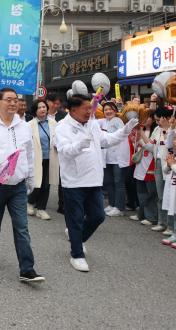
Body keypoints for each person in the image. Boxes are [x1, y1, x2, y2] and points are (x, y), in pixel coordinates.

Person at [56, 94, 137, 272]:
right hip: (74, 181)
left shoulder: (92, 123)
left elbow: (106, 140)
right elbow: (64, 151)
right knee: (75, 219)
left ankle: (78, 239)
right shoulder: (63, 127)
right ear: (73, 110)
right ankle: (76, 254)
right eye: (86, 108)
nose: (90, 111)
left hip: (93, 179)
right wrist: (80, 143)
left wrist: (126, 130)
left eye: (90, 108)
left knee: (98, 216)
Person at [0, 88, 44, 283]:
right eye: (9, 100)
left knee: (21, 227)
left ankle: (27, 269)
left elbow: (29, 154)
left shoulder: (23, 126)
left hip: (18, 185)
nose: (13, 103)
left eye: (16, 100)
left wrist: (30, 178)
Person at [27, 100, 59, 220]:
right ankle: (30, 202)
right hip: (36, 158)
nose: (42, 109)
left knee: (46, 184)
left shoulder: (53, 123)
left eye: (44, 107)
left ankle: (41, 209)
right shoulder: (29, 125)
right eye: (39, 107)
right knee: (37, 183)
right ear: (35, 110)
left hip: (50, 158)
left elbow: (58, 138)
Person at [98, 102, 130, 217]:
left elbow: (119, 135)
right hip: (107, 158)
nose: (108, 111)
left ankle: (119, 207)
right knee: (109, 182)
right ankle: (112, 204)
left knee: (118, 182)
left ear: (115, 111)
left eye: (110, 109)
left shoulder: (118, 121)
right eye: (105, 110)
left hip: (118, 158)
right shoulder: (103, 121)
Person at [131, 114, 159, 228]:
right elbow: (138, 148)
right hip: (141, 165)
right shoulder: (145, 131)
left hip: (150, 166)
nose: (145, 119)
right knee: (141, 193)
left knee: (150, 194)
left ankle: (151, 217)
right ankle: (141, 214)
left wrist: (141, 134)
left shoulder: (156, 130)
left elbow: (151, 147)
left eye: (148, 117)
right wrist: (135, 141)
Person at [148, 107, 172, 232]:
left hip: (169, 165)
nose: (157, 122)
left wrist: (167, 130)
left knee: (170, 196)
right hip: (158, 163)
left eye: (159, 119)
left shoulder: (172, 130)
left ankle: (170, 226)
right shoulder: (157, 129)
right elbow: (151, 145)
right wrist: (140, 133)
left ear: (166, 118)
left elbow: (169, 146)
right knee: (161, 195)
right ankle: (161, 222)